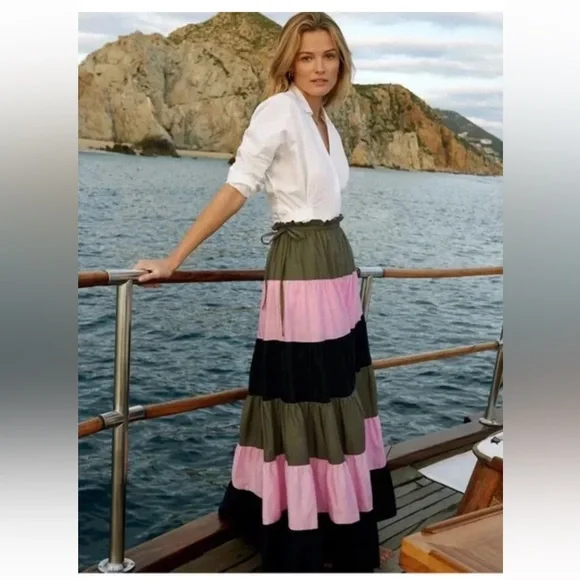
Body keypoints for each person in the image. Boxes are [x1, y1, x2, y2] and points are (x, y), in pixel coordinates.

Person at [133, 11, 397, 573]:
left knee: (339, 390)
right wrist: (175, 258)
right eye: (307, 57)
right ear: (289, 63)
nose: (319, 67)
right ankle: (304, 534)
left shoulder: (325, 121)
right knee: (305, 395)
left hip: (336, 263)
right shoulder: (278, 111)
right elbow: (238, 186)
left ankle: (339, 527)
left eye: (328, 55)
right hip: (300, 265)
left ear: (341, 61)